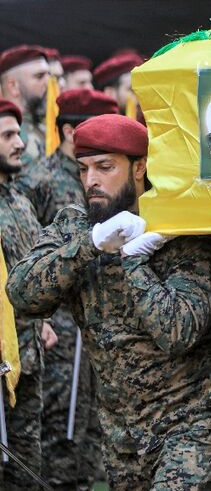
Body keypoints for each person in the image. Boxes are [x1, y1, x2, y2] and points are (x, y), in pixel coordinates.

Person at [7, 114, 211, 490]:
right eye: (83, 169)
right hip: (123, 437)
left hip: (193, 425)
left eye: (105, 167)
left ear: (140, 167)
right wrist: (91, 245)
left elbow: (177, 331)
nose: (91, 181)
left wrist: (134, 261)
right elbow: (20, 293)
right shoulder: (78, 227)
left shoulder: (184, 232)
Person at [15, 88, 118, 490]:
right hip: (57, 326)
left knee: (93, 425)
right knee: (61, 426)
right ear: (72, 130)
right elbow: (30, 256)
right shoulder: (37, 181)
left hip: (96, 324)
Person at [0, 98, 47, 490]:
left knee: (27, 466)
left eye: (18, 132)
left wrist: (43, 322)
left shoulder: (18, 198)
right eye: (8, 135)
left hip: (29, 353)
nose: (20, 143)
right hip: (2, 356)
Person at [0, 45, 51, 166]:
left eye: (49, 75)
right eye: (39, 76)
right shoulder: (5, 134)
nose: (49, 83)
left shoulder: (44, 127)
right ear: (13, 85)